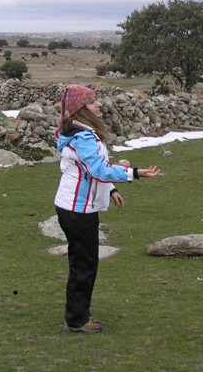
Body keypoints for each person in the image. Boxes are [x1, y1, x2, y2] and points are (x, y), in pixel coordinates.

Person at [54, 84, 161, 333]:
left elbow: (92, 169)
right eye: (92, 102)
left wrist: (111, 189)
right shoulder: (83, 138)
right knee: (84, 265)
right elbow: (99, 170)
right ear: (82, 109)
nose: (98, 105)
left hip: (75, 207)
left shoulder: (80, 133)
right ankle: (77, 320)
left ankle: (78, 314)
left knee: (84, 263)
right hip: (77, 211)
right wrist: (133, 173)